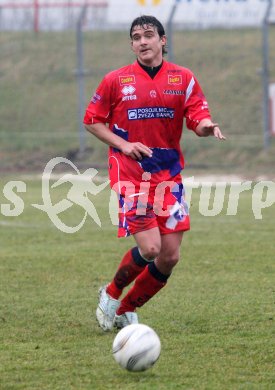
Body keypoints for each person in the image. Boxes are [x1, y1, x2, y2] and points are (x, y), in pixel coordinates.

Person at [83, 15, 225, 331]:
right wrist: (124, 144)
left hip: (168, 177)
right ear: (132, 44)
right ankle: (111, 293)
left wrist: (206, 127)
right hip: (131, 175)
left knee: (169, 257)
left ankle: (125, 310)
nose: (142, 41)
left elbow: (197, 116)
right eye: (136, 37)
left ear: (163, 40)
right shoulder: (115, 80)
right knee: (150, 249)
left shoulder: (183, 78)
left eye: (148, 35)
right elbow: (92, 120)